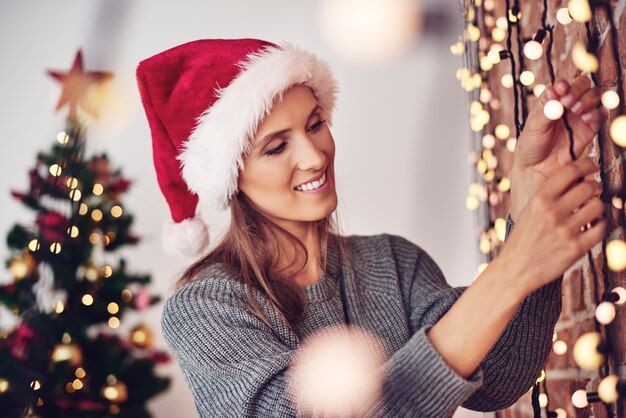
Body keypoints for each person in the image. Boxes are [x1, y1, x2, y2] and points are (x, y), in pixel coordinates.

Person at [136, 39, 608, 417]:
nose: (315, 156)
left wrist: (531, 200)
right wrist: (511, 272)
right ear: (231, 177)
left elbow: (497, 378)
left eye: (315, 124)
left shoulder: (393, 262)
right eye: (277, 148)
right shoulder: (204, 309)